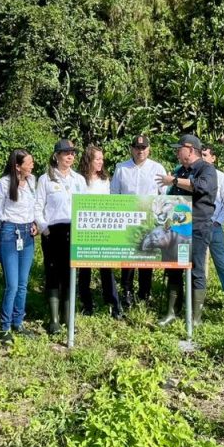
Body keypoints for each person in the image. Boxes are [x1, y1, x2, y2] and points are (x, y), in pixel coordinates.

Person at [156, 134, 217, 325]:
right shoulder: (180, 171)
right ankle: (172, 313)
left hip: (198, 227)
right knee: (174, 268)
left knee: (196, 269)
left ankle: (195, 318)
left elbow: (202, 187)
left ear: (190, 150)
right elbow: (171, 197)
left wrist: (173, 181)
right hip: (178, 226)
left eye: (179, 148)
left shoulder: (206, 169)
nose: (176, 152)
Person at [35, 139, 86, 335]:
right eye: (66, 153)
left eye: (72, 153)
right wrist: (44, 228)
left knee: (70, 273)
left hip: (74, 231)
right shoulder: (45, 179)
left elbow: (85, 206)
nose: (70, 156)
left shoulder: (78, 179)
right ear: (56, 155)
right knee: (53, 274)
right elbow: (38, 206)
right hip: (53, 231)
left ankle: (68, 317)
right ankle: (54, 320)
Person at [110, 134, 167, 308]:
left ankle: (145, 293)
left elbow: (164, 195)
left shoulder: (157, 168)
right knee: (128, 258)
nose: (140, 151)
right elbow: (114, 194)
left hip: (149, 219)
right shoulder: (121, 168)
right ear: (131, 149)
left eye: (143, 148)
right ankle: (126, 291)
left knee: (146, 256)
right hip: (127, 218)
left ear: (149, 149)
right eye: (137, 148)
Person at [0, 148, 38, 344]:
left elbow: (34, 206)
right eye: (28, 163)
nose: (32, 165)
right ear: (17, 166)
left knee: (23, 284)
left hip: (28, 233)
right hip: (9, 233)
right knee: (11, 284)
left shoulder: (32, 181)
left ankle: (18, 322)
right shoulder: (4, 183)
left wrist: (35, 223)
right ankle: (4, 327)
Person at [77, 145, 122, 319]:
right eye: (97, 159)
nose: (101, 162)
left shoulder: (105, 179)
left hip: (103, 229)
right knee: (85, 270)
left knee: (107, 269)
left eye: (102, 159)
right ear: (89, 160)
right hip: (85, 230)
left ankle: (113, 303)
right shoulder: (79, 179)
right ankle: (86, 304)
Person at [200, 142, 224, 311]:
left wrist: (218, 222)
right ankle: (197, 300)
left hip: (214, 226)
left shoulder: (221, 177)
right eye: (200, 155)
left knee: (222, 264)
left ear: (213, 158)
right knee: (196, 265)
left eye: (205, 155)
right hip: (196, 227)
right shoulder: (193, 175)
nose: (202, 159)